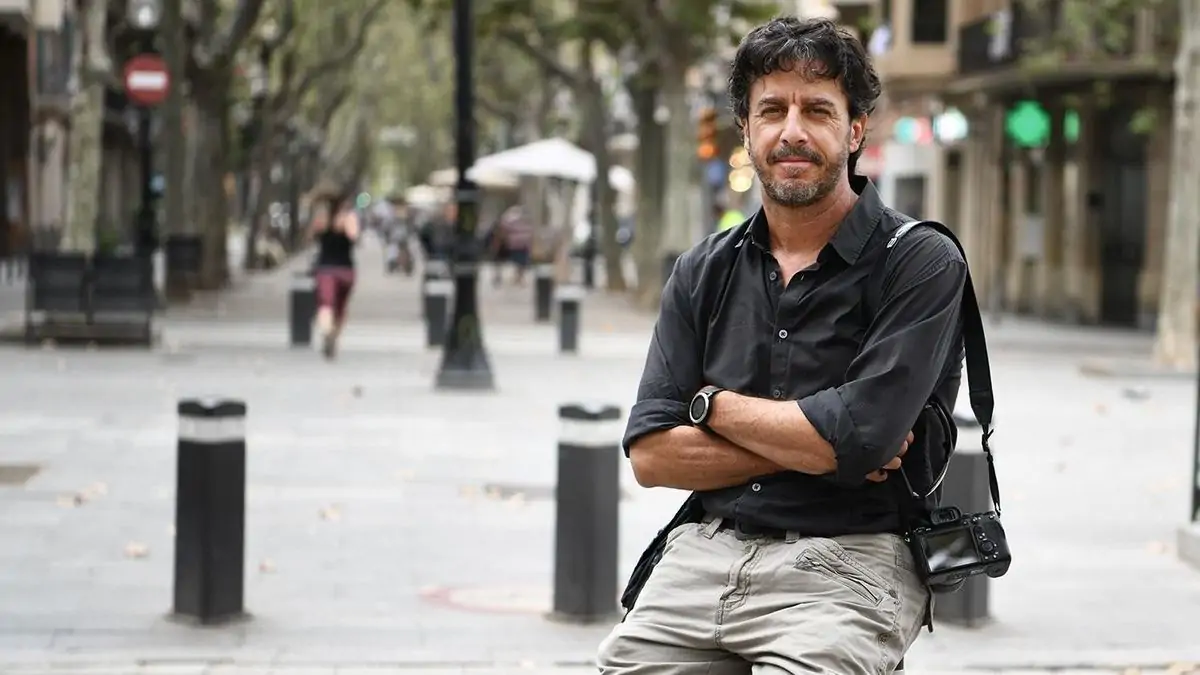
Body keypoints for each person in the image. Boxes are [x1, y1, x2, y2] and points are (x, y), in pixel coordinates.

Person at [598, 17, 968, 674]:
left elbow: (862, 437)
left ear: (855, 131)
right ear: (747, 129)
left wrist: (709, 406)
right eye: (772, 109)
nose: (792, 130)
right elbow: (653, 454)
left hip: (848, 564)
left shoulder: (921, 262)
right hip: (705, 553)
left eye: (818, 110)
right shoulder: (702, 270)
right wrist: (817, 438)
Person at [309, 191, 360, 359]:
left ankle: (327, 332)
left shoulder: (322, 219)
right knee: (339, 308)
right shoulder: (349, 218)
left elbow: (311, 236)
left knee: (326, 304)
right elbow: (355, 237)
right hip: (346, 270)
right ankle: (333, 336)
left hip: (325, 268)